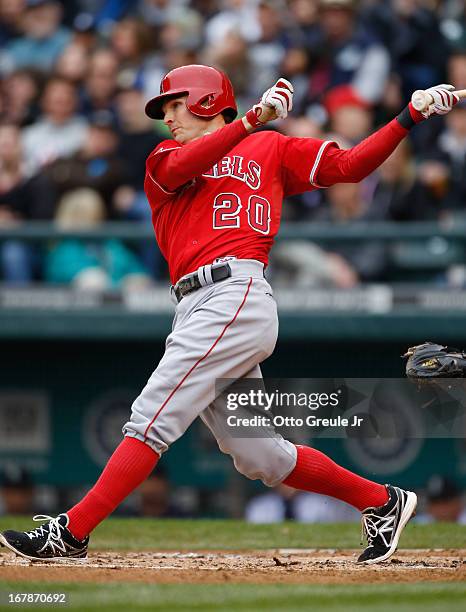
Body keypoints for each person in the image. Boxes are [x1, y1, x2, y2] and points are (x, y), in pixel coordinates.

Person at [0, 65, 457, 565]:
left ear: (203, 101)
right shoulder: (163, 157)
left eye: (175, 105)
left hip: (233, 293)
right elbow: (181, 168)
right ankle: (383, 502)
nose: (167, 117)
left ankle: (71, 532)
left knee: (150, 419)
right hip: (197, 302)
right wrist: (250, 121)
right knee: (261, 454)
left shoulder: (271, 147)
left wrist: (408, 116)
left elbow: (349, 167)